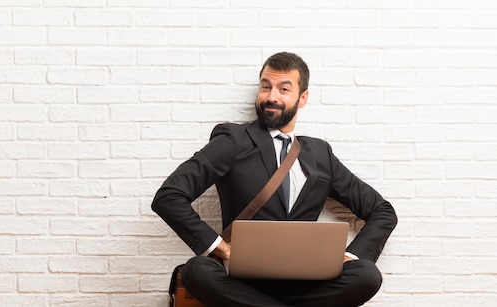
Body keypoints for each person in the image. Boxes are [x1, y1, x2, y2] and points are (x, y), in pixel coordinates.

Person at [151, 52, 397, 307]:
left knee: (366, 275)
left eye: (284, 89)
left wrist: (350, 256)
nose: (271, 96)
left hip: (307, 285)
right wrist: (222, 248)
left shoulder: (320, 154)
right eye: (266, 87)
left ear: (303, 98)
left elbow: (382, 211)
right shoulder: (233, 140)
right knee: (197, 271)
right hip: (242, 284)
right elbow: (168, 197)